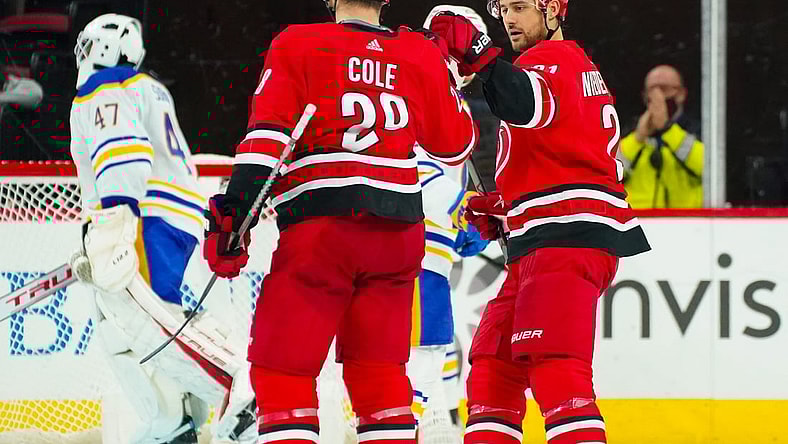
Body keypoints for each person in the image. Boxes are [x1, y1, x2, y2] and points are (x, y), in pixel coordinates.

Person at [202, 0, 478, 443]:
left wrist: (234, 218)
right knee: (381, 381)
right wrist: (447, 73)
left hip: (322, 230)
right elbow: (455, 145)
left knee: (282, 375)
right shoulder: (418, 51)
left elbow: (266, 138)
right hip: (399, 236)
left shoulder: (298, 43)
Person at [429, 1, 651, 443]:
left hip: (566, 242)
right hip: (549, 240)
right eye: (502, 8)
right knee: (494, 368)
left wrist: (478, 50)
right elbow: (566, 154)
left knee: (557, 372)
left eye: (519, 7)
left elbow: (522, 101)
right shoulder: (569, 64)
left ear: (551, 10)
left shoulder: (551, 60)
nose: (508, 19)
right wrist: (509, 208)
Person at [68, 14, 256, 444]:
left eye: (86, 43)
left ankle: (238, 389)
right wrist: (92, 236)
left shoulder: (104, 86)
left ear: (101, 48)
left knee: (145, 321)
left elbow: (124, 153)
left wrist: (114, 225)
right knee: (116, 326)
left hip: (142, 214)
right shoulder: (146, 87)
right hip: (166, 212)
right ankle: (172, 421)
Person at [409, 8, 491, 444]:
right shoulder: (431, 83)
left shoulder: (422, 78)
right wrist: (463, 208)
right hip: (413, 256)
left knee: (428, 355)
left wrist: (462, 218)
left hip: (424, 255)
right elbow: (419, 173)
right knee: (417, 362)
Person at [618, 64, 704, 208]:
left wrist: (668, 130)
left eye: (664, 89)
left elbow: (707, 167)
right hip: (638, 222)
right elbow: (610, 173)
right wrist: (638, 138)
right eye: (651, 91)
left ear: (682, 94)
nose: (658, 96)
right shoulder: (630, 130)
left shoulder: (699, 128)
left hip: (688, 223)